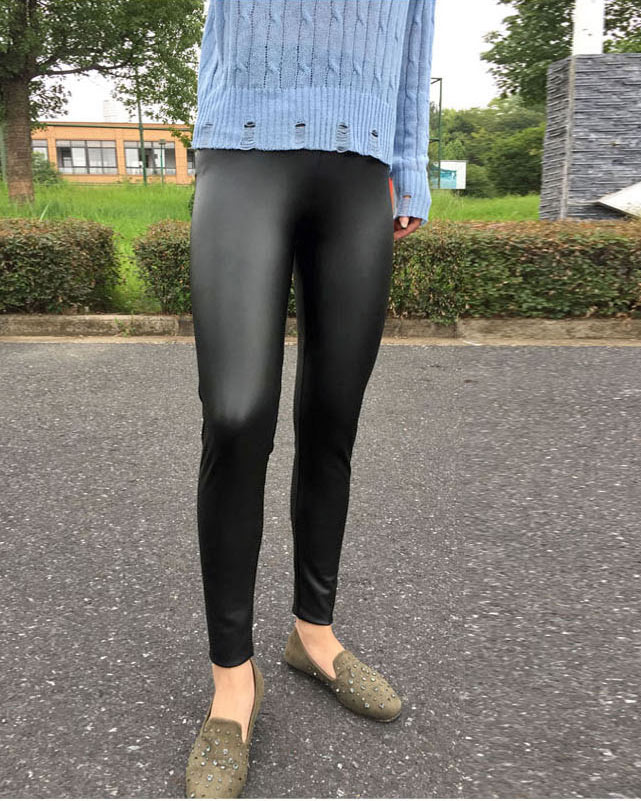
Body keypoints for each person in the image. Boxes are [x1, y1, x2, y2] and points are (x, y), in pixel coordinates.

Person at [185, 1, 437, 796]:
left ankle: (313, 634)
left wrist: (411, 164)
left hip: (362, 165)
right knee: (235, 415)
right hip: (243, 147)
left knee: (333, 416)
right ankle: (233, 682)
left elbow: (416, 31)